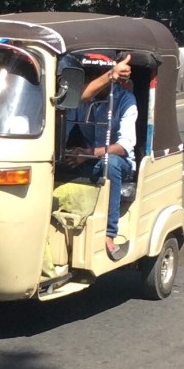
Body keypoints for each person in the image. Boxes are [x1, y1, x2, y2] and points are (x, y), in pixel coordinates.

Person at [64, 51, 137, 260]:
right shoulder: (84, 100)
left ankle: (109, 233)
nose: (90, 80)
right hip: (88, 158)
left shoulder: (125, 100)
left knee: (110, 162)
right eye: (88, 75)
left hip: (118, 163)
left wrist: (88, 153)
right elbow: (67, 126)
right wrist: (68, 152)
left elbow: (125, 145)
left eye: (95, 75)